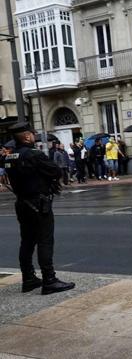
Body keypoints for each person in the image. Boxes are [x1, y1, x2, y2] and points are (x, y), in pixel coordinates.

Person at [0, 122, 75, 294]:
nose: (34, 136)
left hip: (22, 203)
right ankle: (49, 279)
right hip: (38, 203)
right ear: (27, 136)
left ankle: (29, 278)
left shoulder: (10, 157)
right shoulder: (34, 154)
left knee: (27, 241)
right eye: (32, 134)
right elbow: (56, 172)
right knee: (45, 240)